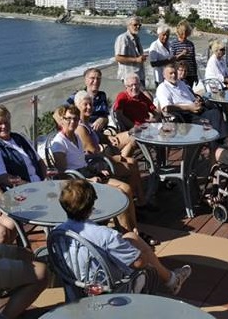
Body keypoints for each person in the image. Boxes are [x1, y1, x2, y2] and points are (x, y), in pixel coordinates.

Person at [54, 179, 192, 294]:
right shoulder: (105, 235)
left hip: (76, 284)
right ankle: (172, 280)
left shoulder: (57, 232)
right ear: (91, 207)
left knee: (131, 237)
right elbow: (139, 263)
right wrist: (144, 251)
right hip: (110, 289)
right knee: (141, 255)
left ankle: (172, 279)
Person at [49, 104, 156, 245]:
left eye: (75, 119)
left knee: (128, 189)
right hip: (77, 182)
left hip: (87, 173)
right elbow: (64, 175)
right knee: (120, 194)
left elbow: (82, 159)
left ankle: (134, 231)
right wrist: (88, 179)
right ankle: (129, 237)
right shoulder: (59, 143)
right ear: (61, 120)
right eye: (68, 119)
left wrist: (96, 171)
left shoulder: (75, 136)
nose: (72, 122)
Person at [71, 93, 147, 206]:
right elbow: (94, 152)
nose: (89, 107)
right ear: (77, 106)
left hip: (100, 157)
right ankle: (131, 201)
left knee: (132, 157)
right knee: (132, 164)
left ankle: (135, 200)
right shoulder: (80, 128)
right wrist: (115, 157)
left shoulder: (86, 122)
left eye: (91, 104)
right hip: (96, 164)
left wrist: (107, 138)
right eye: (85, 104)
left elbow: (96, 135)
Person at [0, 105, 47, 187]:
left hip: (40, 184)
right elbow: (2, 178)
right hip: (21, 191)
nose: (4, 126)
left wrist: (46, 179)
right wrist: (30, 186)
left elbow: (39, 161)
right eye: (0, 123)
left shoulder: (19, 138)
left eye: (6, 122)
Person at [154, 63, 224, 131]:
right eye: (171, 73)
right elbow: (166, 108)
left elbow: (192, 98)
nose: (174, 75)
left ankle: (223, 139)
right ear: (164, 75)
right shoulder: (163, 87)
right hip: (184, 114)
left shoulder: (181, 83)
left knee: (215, 113)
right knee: (208, 123)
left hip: (194, 110)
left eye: (175, 73)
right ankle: (215, 141)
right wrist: (189, 107)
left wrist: (197, 102)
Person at [65, 68, 110, 133]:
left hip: (101, 132)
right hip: (84, 133)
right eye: (92, 78)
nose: (96, 81)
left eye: (98, 78)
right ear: (85, 81)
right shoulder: (77, 96)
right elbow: (59, 113)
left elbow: (106, 115)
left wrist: (103, 119)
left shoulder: (102, 96)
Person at [115, 16, 148, 83]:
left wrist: (141, 58)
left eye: (139, 25)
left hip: (139, 75)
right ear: (128, 26)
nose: (138, 27)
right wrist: (136, 59)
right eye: (135, 25)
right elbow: (118, 58)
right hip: (129, 78)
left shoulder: (137, 38)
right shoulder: (123, 38)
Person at [170, 20, 199, 87]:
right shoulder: (174, 44)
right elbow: (171, 59)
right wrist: (181, 54)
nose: (184, 34)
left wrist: (195, 75)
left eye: (186, 32)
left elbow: (193, 60)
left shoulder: (190, 44)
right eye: (182, 32)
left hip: (190, 74)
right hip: (179, 74)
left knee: (189, 93)